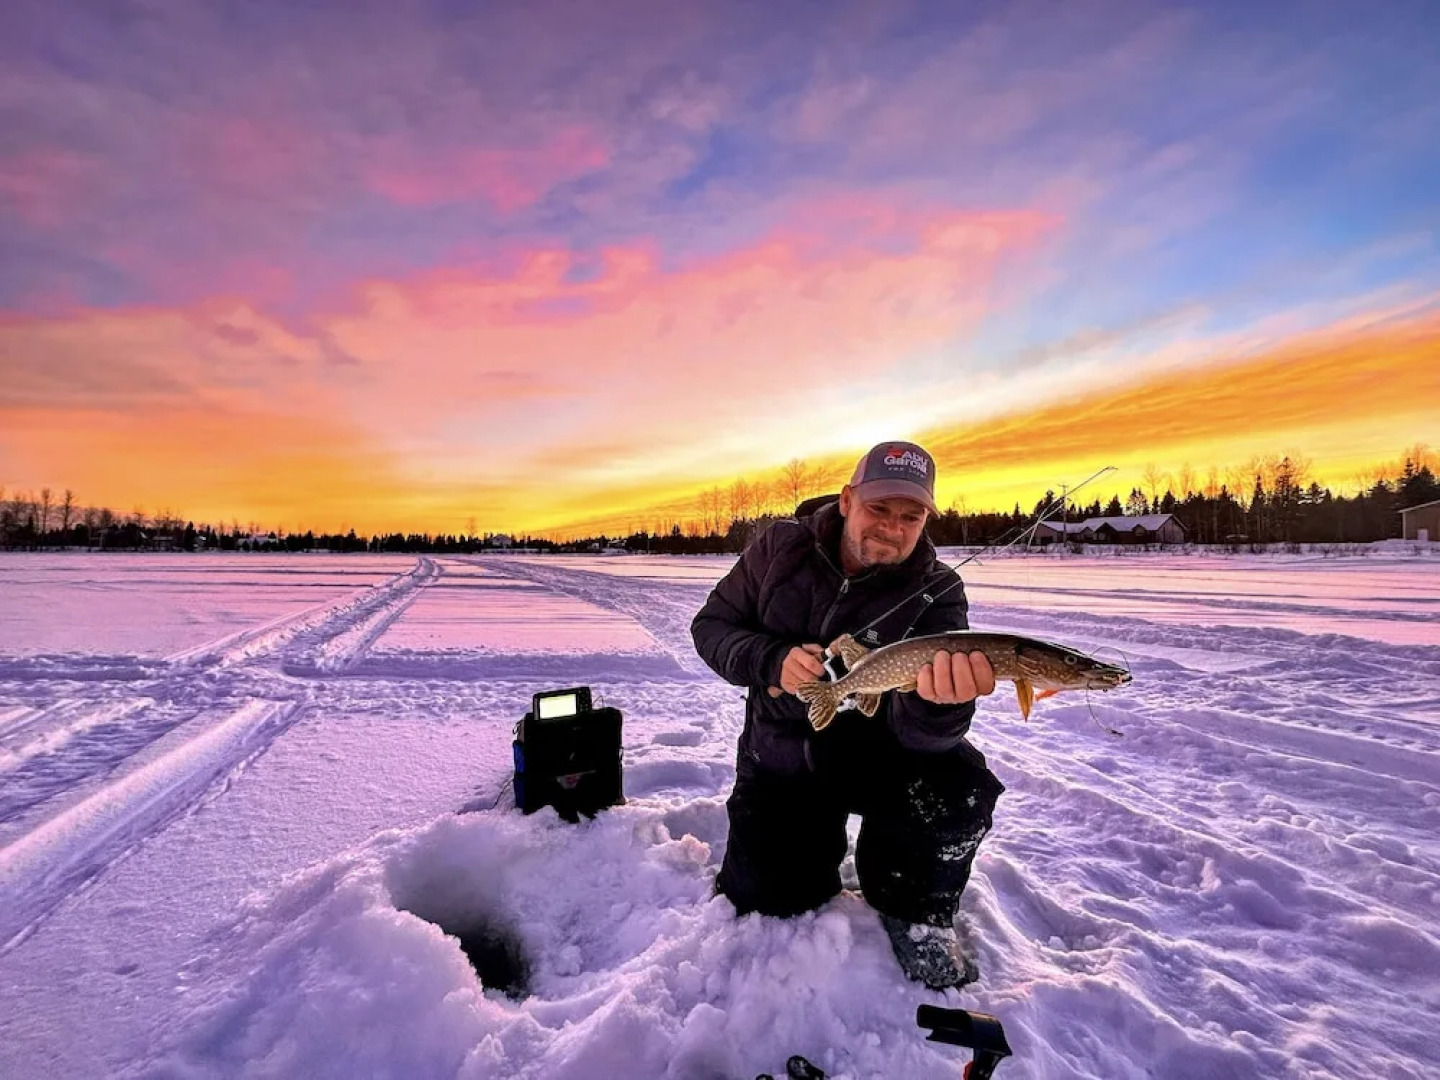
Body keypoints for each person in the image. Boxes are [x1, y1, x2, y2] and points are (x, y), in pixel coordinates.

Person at [691, 440, 1005, 989]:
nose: (892, 527)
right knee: (768, 895)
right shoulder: (778, 549)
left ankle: (913, 907)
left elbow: (925, 737)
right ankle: (803, 854)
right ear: (846, 500)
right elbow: (711, 629)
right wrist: (771, 660)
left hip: (880, 751)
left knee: (959, 789)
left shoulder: (939, 591)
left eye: (910, 516)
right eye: (878, 509)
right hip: (783, 751)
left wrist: (941, 707)